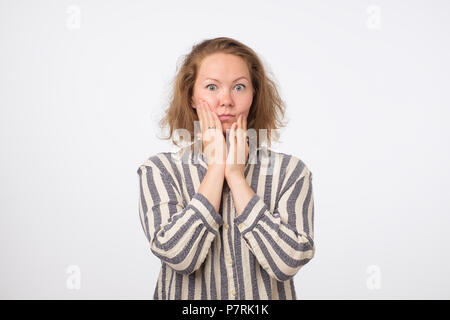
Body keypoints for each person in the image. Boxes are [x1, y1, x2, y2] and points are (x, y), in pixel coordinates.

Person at [136, 37, 315, 300]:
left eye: (239, 87)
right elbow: (178, 256)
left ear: (254, 95)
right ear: (192, 97)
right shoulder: (160, 170)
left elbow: (287, 263)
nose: (226, 101)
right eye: (212, 87)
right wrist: (216, 168)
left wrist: (235, 175)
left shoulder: (290, 172)